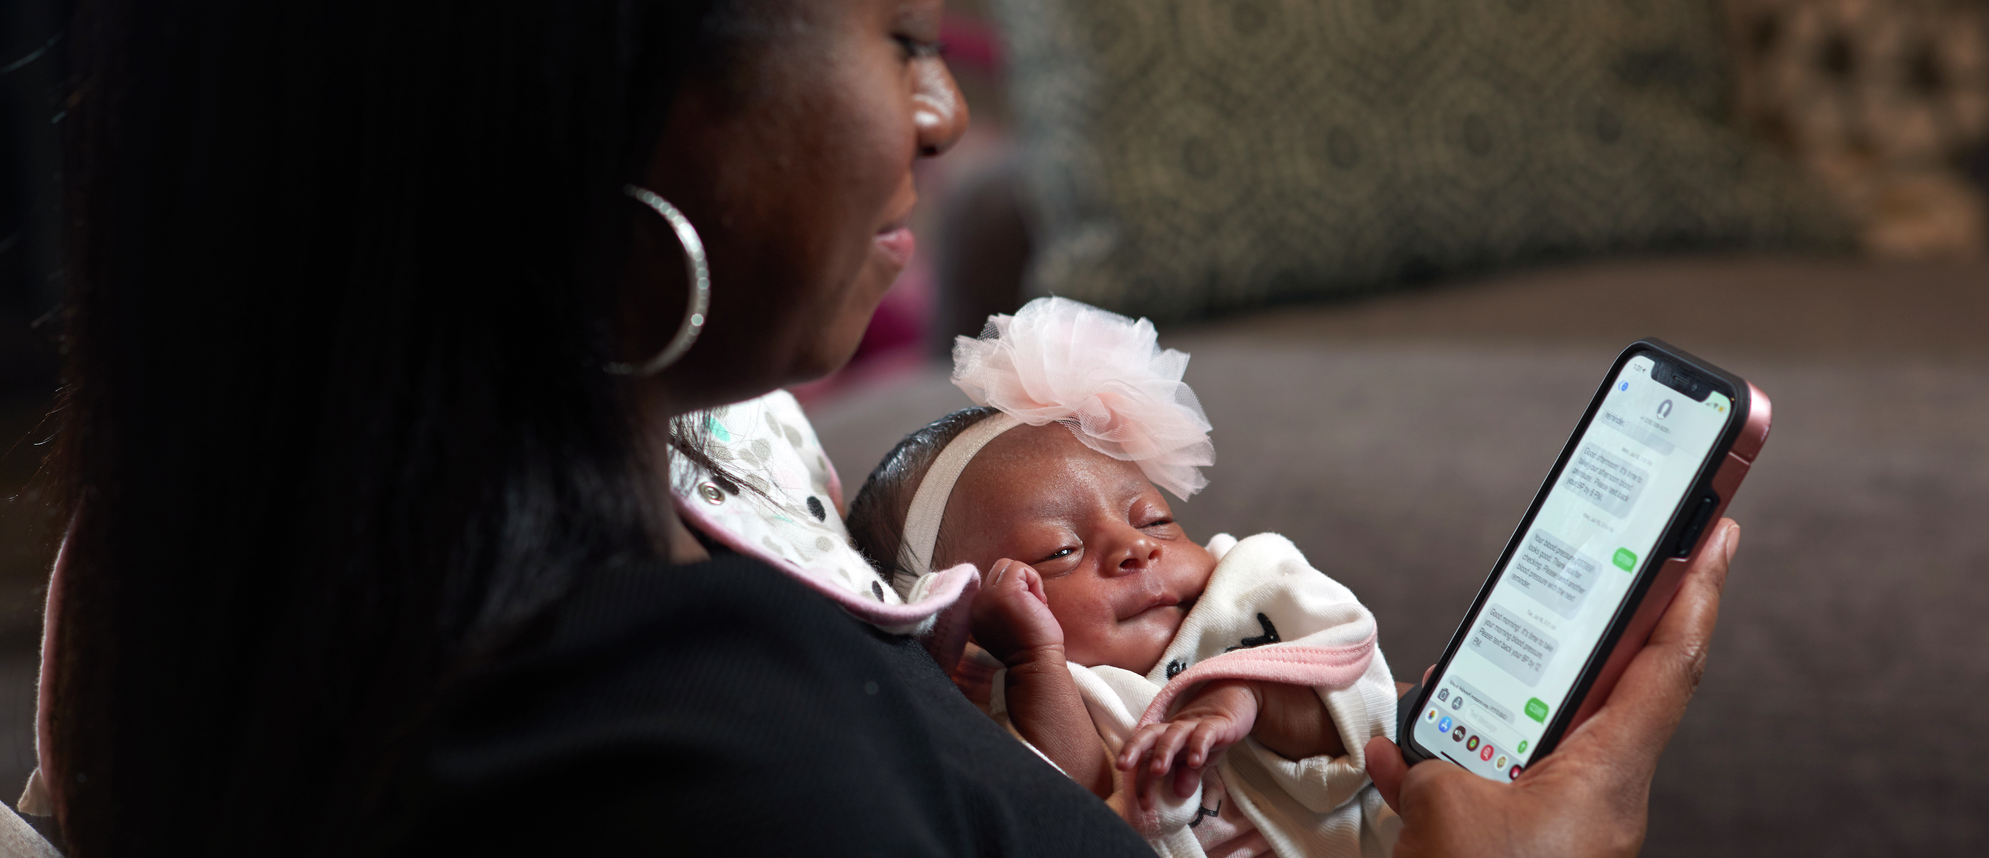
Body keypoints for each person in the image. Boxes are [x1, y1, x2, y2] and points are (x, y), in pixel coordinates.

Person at [28, 0, 1743, 854]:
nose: (939, 109)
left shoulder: (193, 593)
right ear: (605, 99)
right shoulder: (700, 738)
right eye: (892, 31)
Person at [846, 297, 1401, 856]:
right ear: (967, 629)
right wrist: (1035, 665)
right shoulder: (1031, 691)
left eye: (1156, 521)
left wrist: (1250, 694)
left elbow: (1367, 718)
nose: (1135, 546)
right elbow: (1083, 811)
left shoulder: (1247, 594)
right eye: (1060, 551)